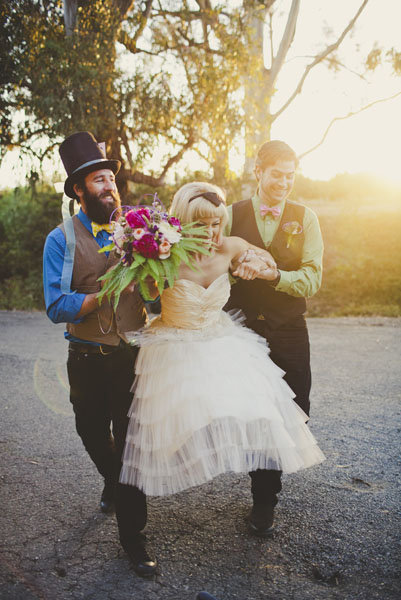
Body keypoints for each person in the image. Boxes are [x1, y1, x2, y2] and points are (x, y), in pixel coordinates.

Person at [119, 182, 324, 510]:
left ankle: (264, 502)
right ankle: (126, 500)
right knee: (161, 426)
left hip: (221, 339)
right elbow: (149, 295)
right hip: (173, 343)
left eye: (217, 223)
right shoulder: (163, 254)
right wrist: (145, 272)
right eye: (202, 224)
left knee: (261, 411)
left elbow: (269, 264)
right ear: (182, 222)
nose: (212, 232)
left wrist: (257, 265)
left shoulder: (230, 247)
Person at [43, 131, 156, 577]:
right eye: (98, 180)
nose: (109, 186)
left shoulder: (141, 228)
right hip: (86, 356)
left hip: (131, 355)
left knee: (132, 447)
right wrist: (99, 295)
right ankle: (112, 480)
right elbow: (55, 305)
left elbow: (153, 297)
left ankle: (135, 538)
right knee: (90, 431)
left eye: (111, 177)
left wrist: (154, 286)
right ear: (78, 190)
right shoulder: (61, 240)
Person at [224, 140, 324, 536]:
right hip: (244, 328)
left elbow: (313, 278)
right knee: (256, 412)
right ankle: (264, 500)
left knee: (296, 408)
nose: (284, 182)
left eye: (290, 175)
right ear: (258, 172)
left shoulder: (306, 217)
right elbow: (213, 264)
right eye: (276, 174)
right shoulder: (231, 215)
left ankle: (268, 482)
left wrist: (274, 276)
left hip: (289, 330)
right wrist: (235, 272)